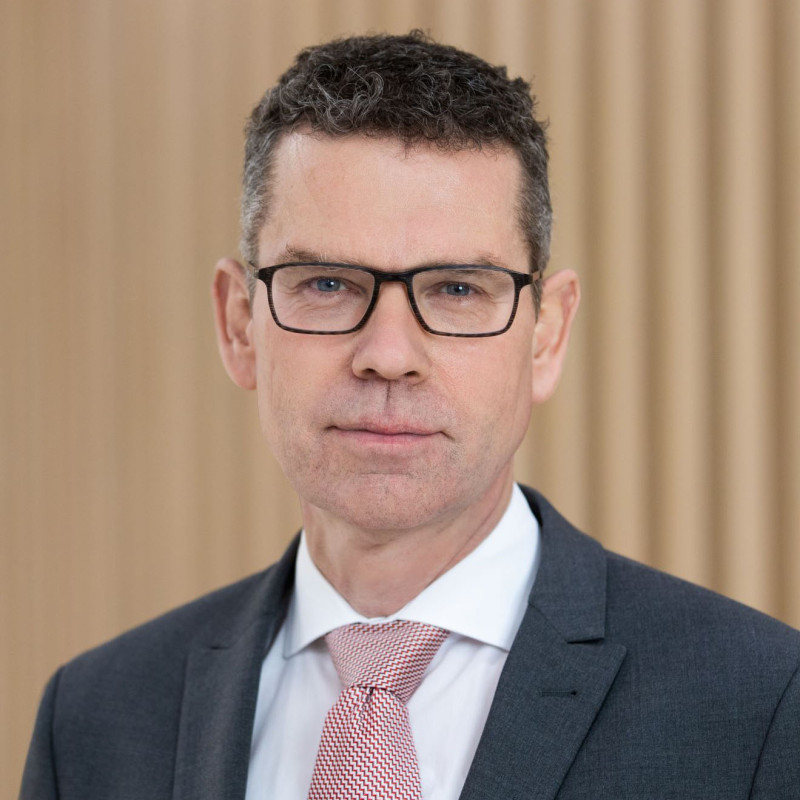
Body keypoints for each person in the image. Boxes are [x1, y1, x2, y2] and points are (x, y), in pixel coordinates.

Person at [20, 31, 799, 800]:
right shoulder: (92, 722)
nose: (389, 354)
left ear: (546, 336)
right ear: (238, 325)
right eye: (327, 284)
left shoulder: (761, 707)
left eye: (458, 289)